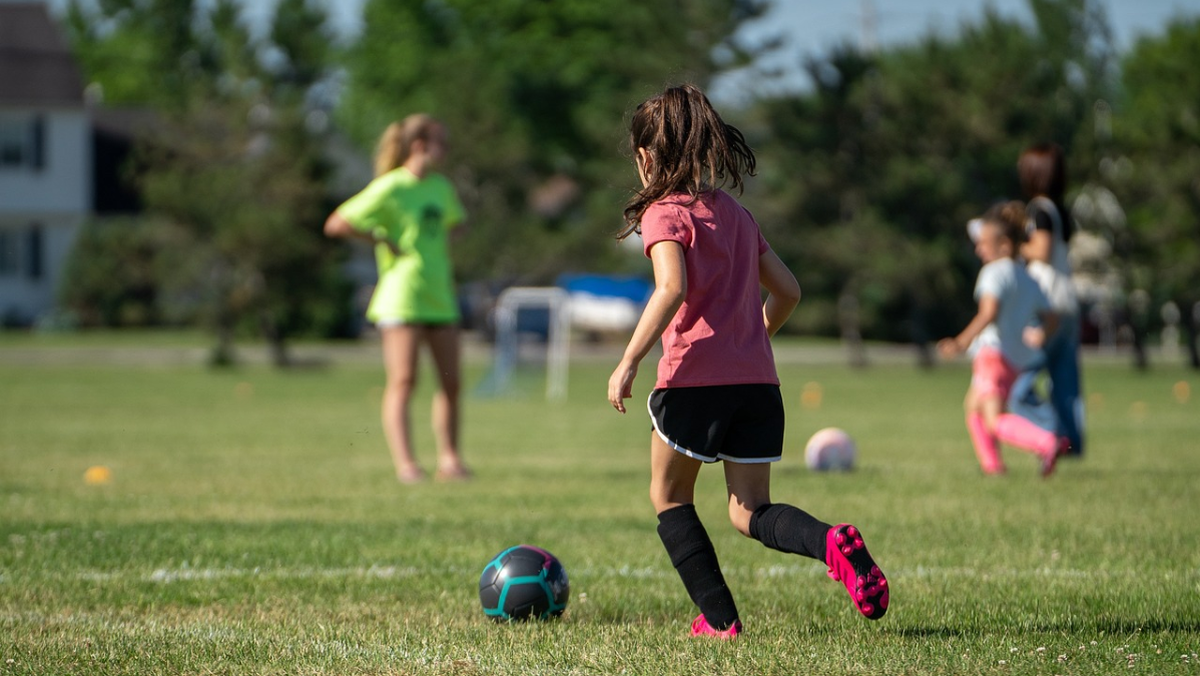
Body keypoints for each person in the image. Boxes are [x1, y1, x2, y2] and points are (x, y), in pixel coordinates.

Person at [607, 84, 889, 639]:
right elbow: (789, 290)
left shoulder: (663, 214)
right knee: (749, 510)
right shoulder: (734, 212)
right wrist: (754, 338)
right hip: (758, 384)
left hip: (694, 382)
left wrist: (628, 360)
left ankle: (720, 622)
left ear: (644, 157)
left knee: (668, 497)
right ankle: (831, 542)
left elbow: (670, 289)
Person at [324, 114, 470, 484]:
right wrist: (380, 238)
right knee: (404, 381)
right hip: (401, 296)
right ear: (419, 145)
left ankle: (450, 461)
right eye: (442, 142)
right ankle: (407, 465)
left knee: (451, 382)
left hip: (439, 294)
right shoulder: (390, 187)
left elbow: (456, 226)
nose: (447, 150)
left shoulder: (441, 187)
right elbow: (337, 223)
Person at [938, 202, 1068, 477]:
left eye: (984, 243)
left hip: (991, 354)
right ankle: (993, 466)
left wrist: (961, 342)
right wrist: (1040, 335)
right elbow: (1053, 318)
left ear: (1005, 245)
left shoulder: (994, 272)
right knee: (972, 407)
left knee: (993, 419)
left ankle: (1046, 442)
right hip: (1015, 360)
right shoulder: (1027, 277)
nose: (978, 249)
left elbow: (988, 313)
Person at [1018, 143, 1085, 457]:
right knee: (1065, 382)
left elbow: (1041, 252)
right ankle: (1072, 443)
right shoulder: (1060, 209)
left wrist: (1012, 247)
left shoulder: (1039, 210)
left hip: (1045, 303)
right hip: (1067, 299)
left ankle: (1052, 433)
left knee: (1023, 379)